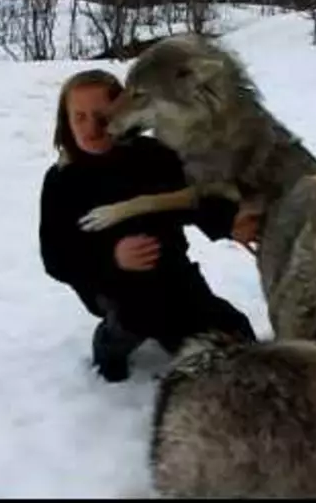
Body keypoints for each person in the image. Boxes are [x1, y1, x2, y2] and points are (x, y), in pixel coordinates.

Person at [38, 68, 260, 383]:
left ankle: (179, 331)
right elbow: (57, 256)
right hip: (110, 286)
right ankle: (109, 342)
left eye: (101, 116)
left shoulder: (154, 156)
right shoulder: (62, 181)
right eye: (80, 117)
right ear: (66, 121)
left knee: (236, 335)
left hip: (174, 274)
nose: (91, 128)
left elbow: (197, 200)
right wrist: (112, 258)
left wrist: (230, 223)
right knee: (139, 314)